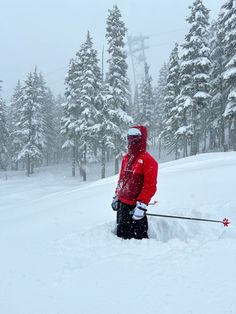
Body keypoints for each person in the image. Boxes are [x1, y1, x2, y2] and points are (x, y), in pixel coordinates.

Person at [111, 125, 158, 239]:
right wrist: (117, 195)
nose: (131, 140)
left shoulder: (149, 161)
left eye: (135, 136)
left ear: (141, 138)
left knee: (138, 243)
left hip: (135, 208)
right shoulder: (126, 158)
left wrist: (141, 206)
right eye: (129, 136)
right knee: (120, 239)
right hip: (122, 206)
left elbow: (150, 186)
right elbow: (122, 179)